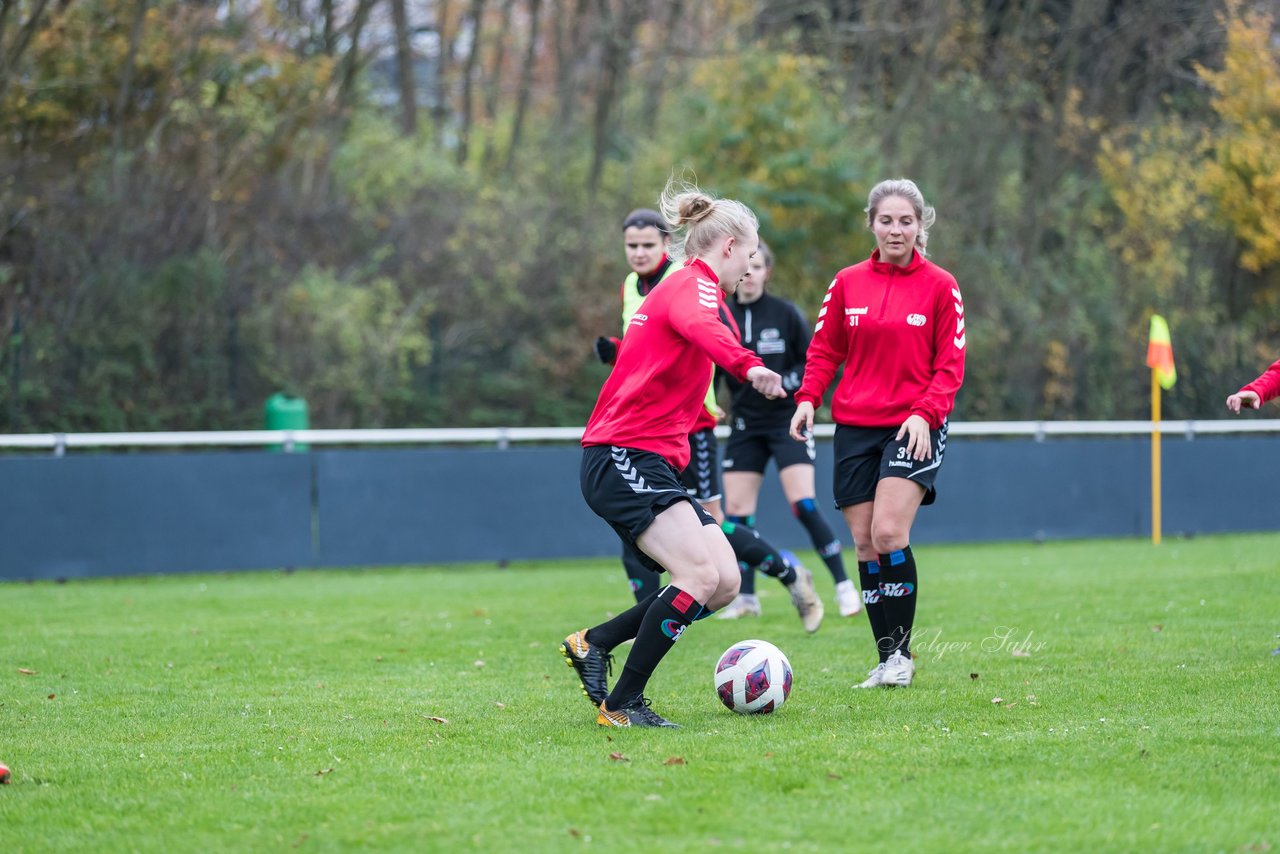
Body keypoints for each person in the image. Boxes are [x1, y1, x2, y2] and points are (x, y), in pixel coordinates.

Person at [561, 178, 786, 728]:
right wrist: (749, 366)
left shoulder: (685, 283)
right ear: (728, 247)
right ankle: (621, 705)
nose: (748, 270)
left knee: (726, 582)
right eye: (749, 255)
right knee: (697, 576)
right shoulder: (696, 286)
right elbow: (703, 328)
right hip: (621, 454)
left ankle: (595, 643)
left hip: (645, 459)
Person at [594, 211, 826, 632]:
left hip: (691, 425)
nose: (640, 253)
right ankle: (630, 632)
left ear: (668, 245)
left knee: (711, 527)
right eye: (632, 245)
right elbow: (650, 344)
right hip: (645, 431)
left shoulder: (692, 281)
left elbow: (713, 332)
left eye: (649, 244)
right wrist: (617, 349)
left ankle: (789, 573)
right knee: (645, 536)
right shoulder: (633, 286)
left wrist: (746, 369)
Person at [790, 178, 965, 689]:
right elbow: (825, 350)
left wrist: (925, 413)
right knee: (865, 546)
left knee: (889, 533)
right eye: (886, 220)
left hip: (915, 422)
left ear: (920, 226)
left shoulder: (941, 285)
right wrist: (807, 398)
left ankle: (903, 659)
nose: (896, 229)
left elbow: (950, 366)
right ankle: (887, 657)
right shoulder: (846, 282)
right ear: (871, 223)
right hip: (854, 425)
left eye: (906, 221)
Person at [718, 240, 861, 620]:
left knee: (804, 504)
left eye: (758, 267)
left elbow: (814, 359)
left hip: (786, 422)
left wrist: (789, 381)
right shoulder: (722, 316)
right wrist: (709, 403)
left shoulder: (785, 314)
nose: (749, 275)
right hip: (745, 426)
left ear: (768, 272)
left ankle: (844, 586)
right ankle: (746, 598)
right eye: (744, 268)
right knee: (736, 514)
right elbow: (712, 366)